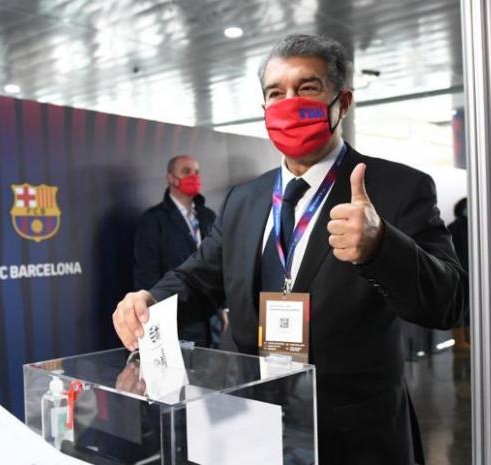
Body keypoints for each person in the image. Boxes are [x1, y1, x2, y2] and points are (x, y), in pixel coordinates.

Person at [112, 34, 466, 464]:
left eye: (307, 88)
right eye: (276, 93)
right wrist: (150, 300)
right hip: (247, 424)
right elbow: (200, 278)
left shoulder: (397, 188)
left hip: (351, 437)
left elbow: (448, 304)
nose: (289, 103)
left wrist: (382, 247)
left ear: (343, 102)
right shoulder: (245, 199)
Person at [132, 155, 227, 347]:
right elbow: (147, 274)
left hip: (211, 323)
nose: (193, 176)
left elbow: (219, 265)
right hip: (177, 322)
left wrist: (223, 308)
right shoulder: (153, 221)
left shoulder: (208, 216)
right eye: (186, 171)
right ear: (171, 178)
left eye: (196, 172)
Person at [447, 198, 470, 351]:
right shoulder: (458, 227)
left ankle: (466, 339)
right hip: (461, 271)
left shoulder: (459, 226)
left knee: (466, 307)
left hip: (462, 271)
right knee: (462, 307)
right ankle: (460, 341)